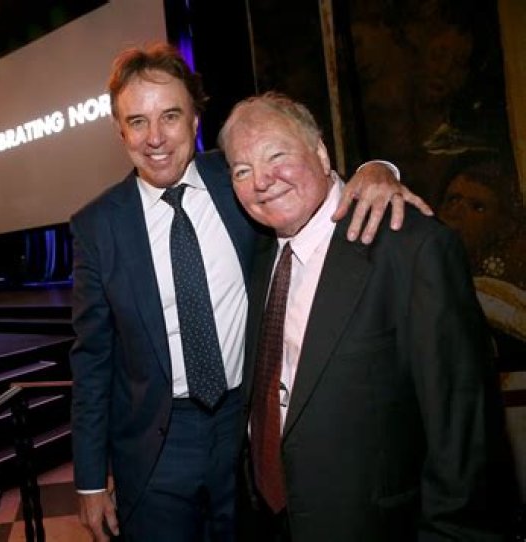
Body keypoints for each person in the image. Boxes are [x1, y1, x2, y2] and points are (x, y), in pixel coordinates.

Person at [69, 42, 429, 542]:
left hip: (247, 431)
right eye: (137, 121)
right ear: (119, 130)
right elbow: (92, 361)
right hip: (154, 446)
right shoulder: (96, 227)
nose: (155, 138)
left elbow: (308, 168)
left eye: (170, 116)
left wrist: (378, 170)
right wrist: (89, 480)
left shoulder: (240, 179)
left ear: (195, 119)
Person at [218, 91, 516, 540]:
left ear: (321, 153)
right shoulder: (261, 255)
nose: (261, 180)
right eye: (242, 170)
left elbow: (464, 432)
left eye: (277, 156)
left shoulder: (410, 247)